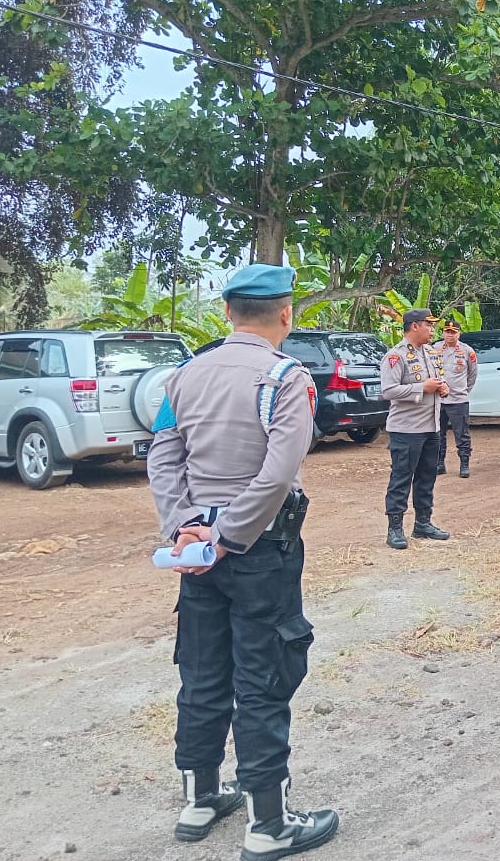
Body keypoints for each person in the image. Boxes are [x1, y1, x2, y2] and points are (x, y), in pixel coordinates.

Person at [147, 263, 339, 858]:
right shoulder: (287, 378)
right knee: (263, 676)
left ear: (226, 313)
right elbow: (278, 472)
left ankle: (201, 798)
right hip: (261, 550)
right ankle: (269, 823)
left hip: (197, 551)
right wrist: (230, 534)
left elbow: (162, 456)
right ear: (286, 314)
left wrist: (188, 529)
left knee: (202, 672)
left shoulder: (184, 376)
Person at [382, 308, 451, 549]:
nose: (432, 330)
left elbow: (437, 382)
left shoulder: (431, 353)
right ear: (414, 326)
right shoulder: (396, 356)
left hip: (431, 426)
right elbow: (389, 391)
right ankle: (395, 528)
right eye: (428, 325)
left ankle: (423, 523)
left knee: (426, 477)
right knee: (401, 478)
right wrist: (422, 388)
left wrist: (443, 388)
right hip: (406, 429)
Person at [433, 318, 478, 478]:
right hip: (438, 399)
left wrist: (463, 390)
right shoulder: (435, 349)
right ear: (443, 333)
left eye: (453, 332)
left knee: (462, 434)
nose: (450, 335)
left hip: (458, 400)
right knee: (438, 433)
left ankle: (464, 464)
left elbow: (472, 375)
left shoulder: (467, 351)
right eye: (447, 332)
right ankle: (439, 463)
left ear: (459, 334)